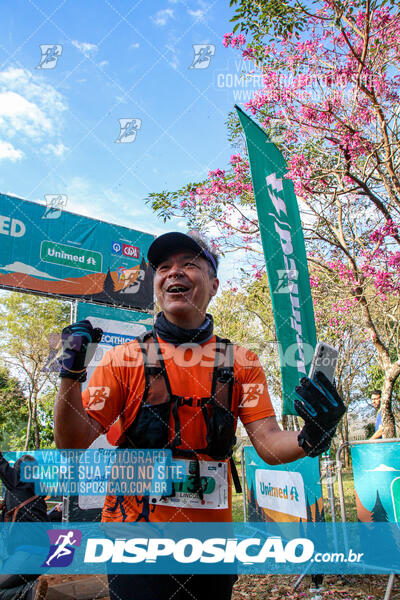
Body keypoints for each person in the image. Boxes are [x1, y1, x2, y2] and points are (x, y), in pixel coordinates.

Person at [54, 231, 346, 600]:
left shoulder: (242, 362)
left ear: (214, 284)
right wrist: (70, 374)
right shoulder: (123, 358)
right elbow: (72, 442)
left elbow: (270, 443)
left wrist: (311, 436)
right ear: (156, 284)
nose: (174, 272)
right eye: (163, 267)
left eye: (189, 264)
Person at [0, 453, 48, 600]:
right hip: (42, 555)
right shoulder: (37, 489)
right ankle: (27, 587)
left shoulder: (17, 483)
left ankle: (29, 592)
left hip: (28, 553)